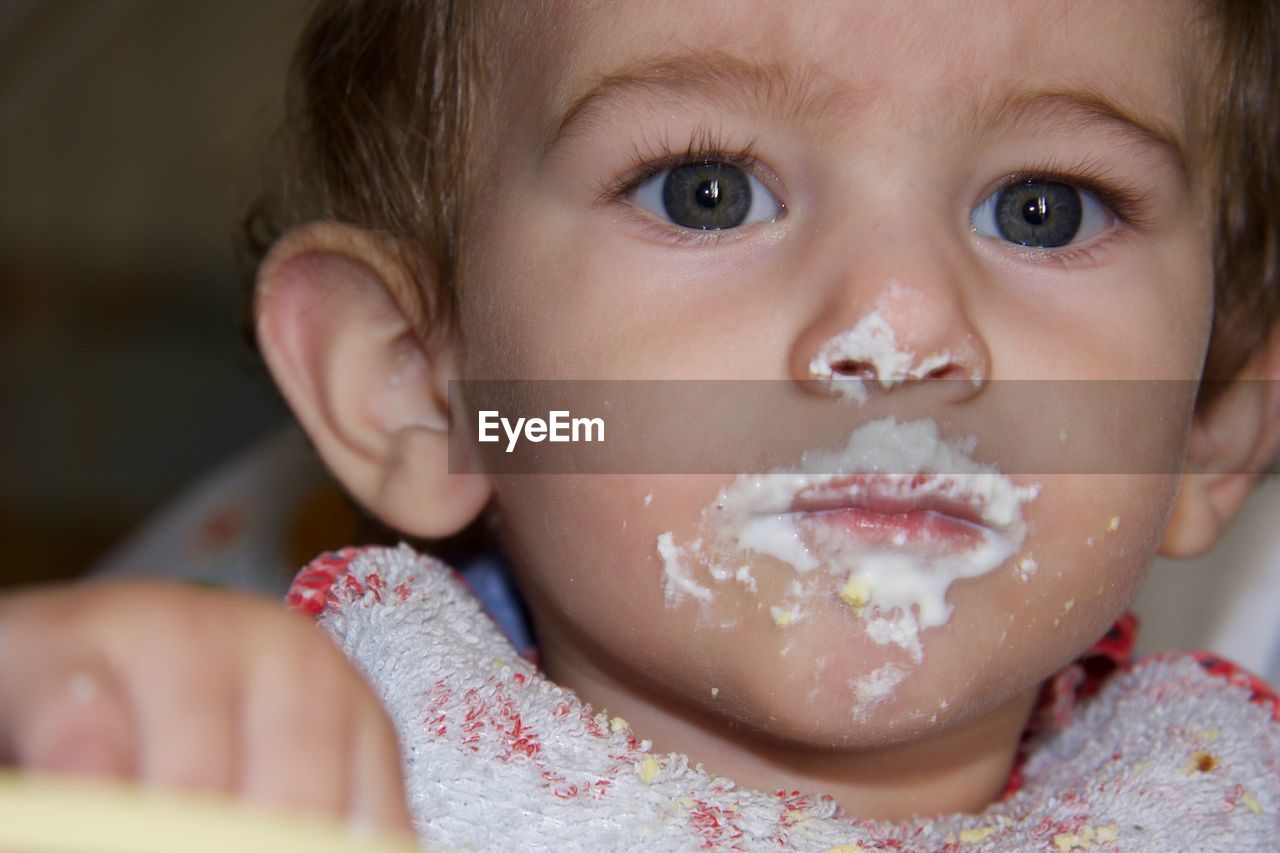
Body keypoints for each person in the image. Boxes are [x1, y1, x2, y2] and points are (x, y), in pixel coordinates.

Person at [3, 0, 1278, 848]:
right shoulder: (317, 779)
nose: (896, 326)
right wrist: (101, 750)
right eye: (706, 191)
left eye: (1043, 209)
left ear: (1207, 426)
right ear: (420, 391)